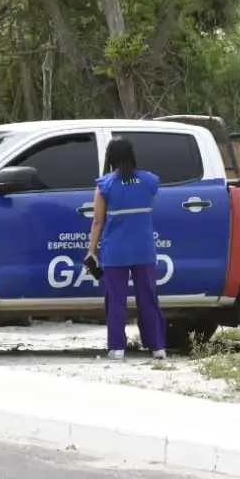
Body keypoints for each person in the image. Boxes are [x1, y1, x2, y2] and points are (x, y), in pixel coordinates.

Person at [86, 135, 167, 361]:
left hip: (116, 251)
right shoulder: (150, 181)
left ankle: (117, 349)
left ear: (110, 156)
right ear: (132, 155)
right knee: (148, 297)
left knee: (116, 299)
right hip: (143, 249)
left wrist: (92, 251)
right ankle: (158, 347)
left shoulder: (105, 185)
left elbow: (98, 222)